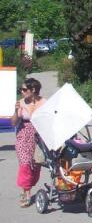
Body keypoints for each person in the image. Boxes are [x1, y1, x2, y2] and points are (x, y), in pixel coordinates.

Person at [10, 78, 46, 207]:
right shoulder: (20, 103)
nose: (22, 91)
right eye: (21, 89)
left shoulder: (44, 103)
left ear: (33, 90)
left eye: (24, 89)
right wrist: (15, 111)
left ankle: (29, 185)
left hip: (39, 137)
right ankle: (26, 192)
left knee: (36, 165)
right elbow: (13, 123)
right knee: (25, 164)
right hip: (23, 136)